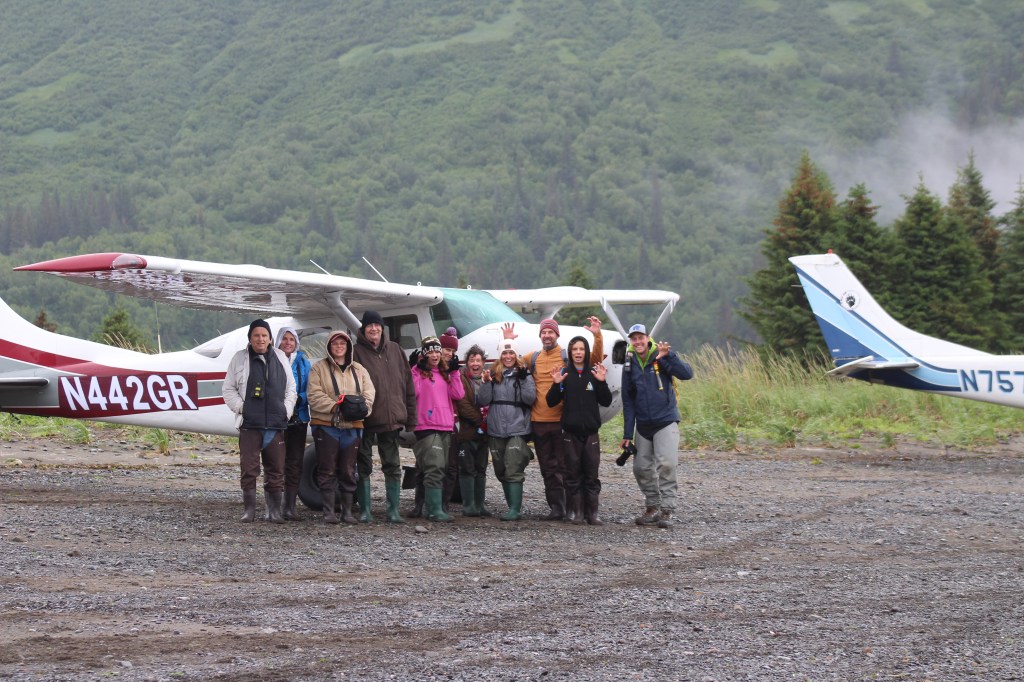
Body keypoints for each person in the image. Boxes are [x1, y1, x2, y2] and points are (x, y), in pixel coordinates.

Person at [505, 316, 603, 520]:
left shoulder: (566, 355)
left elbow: (594, 360)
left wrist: (597, 336)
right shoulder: (533, 357)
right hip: (538, 421)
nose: (547, 335)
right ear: (540, 335)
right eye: (544, 332)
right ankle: (556, 508)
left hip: (561, 421)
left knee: (567, 466)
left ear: (557, 334)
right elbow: (511, 361)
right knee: (547, 468)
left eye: (550, 332)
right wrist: (508, 341)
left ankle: (572, 509)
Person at [222, 319, 296, 524]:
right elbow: (228, 389)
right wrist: (242, 408)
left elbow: (291, 388)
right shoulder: (239, 359)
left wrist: (286, 411)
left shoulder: (281, 357)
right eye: (256, 335)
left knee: (276, 469)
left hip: (275, 424)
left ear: (270, 338)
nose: (260, 339)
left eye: (264, 335)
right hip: (250, 425)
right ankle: (249, 511)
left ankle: (274, 511)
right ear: (250, 338)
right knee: (249, 469)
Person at [620, 323, 693, 529]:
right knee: (640, 468)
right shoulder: (629, 363)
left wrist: (669, 356)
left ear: (648, 338)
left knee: (667, 464)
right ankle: (652, 506)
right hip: (643, 424)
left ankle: (667, 509)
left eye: (640, 337)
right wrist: (628, 433)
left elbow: (687, 374)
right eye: (634, 338)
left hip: (665, 421)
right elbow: (628, 401)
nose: (637, 342)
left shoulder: (661, 357)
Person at [353, 310, 417, 523]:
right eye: (369, 325)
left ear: (382, 328)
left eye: (377, 325)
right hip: (366, 418)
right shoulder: (356, 352)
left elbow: (408, 384)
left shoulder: (396, 349)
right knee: (363, 465)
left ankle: (393, 511)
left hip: (392, 418)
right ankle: (365, 511)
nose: (374, 329)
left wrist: (411, 418)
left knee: (392, 465)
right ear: (364, 329)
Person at [307, 330, 375, 524]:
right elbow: (314, 394)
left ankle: (347, 512)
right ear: (329, 346)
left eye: (342, 343)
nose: (339, 346)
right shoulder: (318, 368)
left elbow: (369, 392)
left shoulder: (359, 370)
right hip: (326, 425)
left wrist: (361, 409)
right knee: (327, 468)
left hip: (353, 426)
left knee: (348, 469)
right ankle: (328, 511)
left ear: (348, 346)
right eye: (335, 343)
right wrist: (336, 407)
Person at [546, 335, 612, 525]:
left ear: (586, 352)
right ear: (570, 352)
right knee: (572, 473)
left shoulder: (594, 373)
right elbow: (551, 402)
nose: (578, 352)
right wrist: (556, 384)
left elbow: (606, 401)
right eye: (574, 349)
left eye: (581, 349)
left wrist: (602, 382)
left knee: (591, 474)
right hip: (570, 433)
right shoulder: (564, 374)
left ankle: (592, 513)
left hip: (590, 432)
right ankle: (576, 512)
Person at [475, 339, 536, 521]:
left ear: (516, 355)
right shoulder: (494, 374)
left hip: (517, 427)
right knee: (500, 469)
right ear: (500, 356)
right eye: (504, 353)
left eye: (511, 353)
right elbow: (483, 400)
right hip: (496, 428)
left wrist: (524, 379)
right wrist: (486, 383)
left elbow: (530, 398)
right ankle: (511, 506)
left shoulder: (524, 373)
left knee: (513, 467)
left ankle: (514, 510)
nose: (508, 356)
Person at [409, 336, 464, 522]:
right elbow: (413, 392)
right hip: (426, 425)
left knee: (441, 468)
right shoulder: (419, 373)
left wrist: (455, 372)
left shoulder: (445, 374)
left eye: (437, 351)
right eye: (430, 352)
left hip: (445, 425)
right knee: (434, 467)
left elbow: (458, 394)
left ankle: (434, 508)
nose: (434, 355)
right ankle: (433, 510)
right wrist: (415, 369)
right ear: (424, 355)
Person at [276, 327, 311, 521]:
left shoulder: (303, 362)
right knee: (276, 461)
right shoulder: (272, 360)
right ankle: (275, 505)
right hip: (277, 418)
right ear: (279, 341)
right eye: (284, 339)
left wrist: (299, 399)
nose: (288, 342)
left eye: (292, 339)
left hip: (298, 418)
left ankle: (289, 507)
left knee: (295, 462)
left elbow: (310, 388)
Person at [454, 344, 490, 517]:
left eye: (478, 360)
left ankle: (480, 505)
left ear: (483, 363)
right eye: (472, 360)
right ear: (467, 362)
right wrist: (481, 421)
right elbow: (463, 404)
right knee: (467, 469)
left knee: (481, 469)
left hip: (484, 434)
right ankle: (468, 506)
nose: (475, 363)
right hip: (466, 432)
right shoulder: (461, 379)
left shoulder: (487, 379)